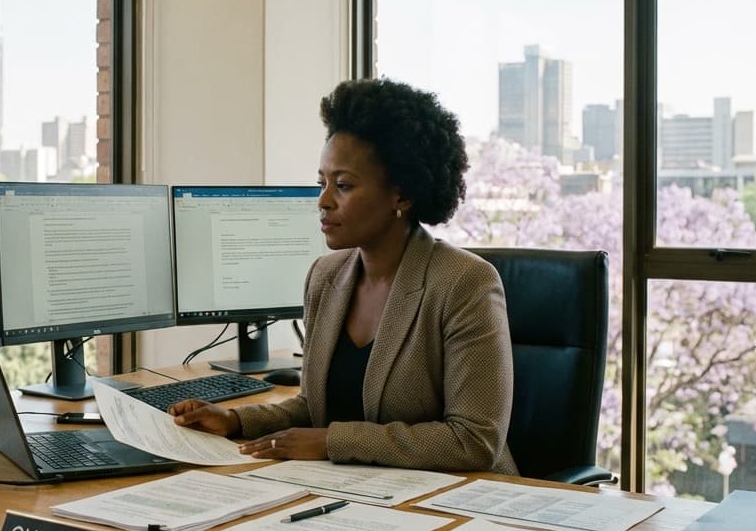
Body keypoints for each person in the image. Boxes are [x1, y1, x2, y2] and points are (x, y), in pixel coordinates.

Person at [170, 77, 518, 474]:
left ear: (401, 195)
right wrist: (236, 421)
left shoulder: (464, 283)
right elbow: (315, 407)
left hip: (456, 503)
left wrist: (331, 442)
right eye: (322, 183)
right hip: (357, 493)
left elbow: (473, 441)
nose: (323, 201)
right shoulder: (326, 276)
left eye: (344, 185)